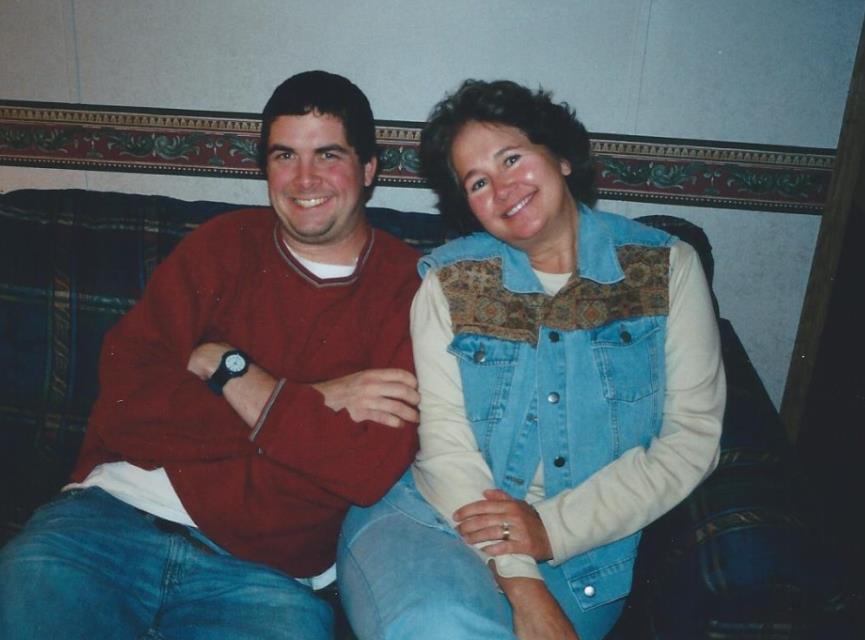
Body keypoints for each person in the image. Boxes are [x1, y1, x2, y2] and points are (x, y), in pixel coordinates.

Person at [0, 70, 421, 639]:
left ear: (369, 168)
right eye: (284, 156)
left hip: (266, 576)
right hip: (108, 523)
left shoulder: (407, 288)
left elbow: (363, 469)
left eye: (328, 155)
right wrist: (315, 402)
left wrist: (230, 371)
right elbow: (127, 407)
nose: (304, 179)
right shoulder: (222, 245)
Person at [336, 79, 725, 640]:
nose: (502, 189)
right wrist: (522, 581)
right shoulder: (449, 284)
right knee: (440, 627)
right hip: (433, 521)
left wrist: (551, 529)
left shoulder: (665, 271)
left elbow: (692, 439)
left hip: (581, 554)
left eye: (512, 158)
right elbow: (447, 449)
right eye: (477, 181)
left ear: (561, 156)